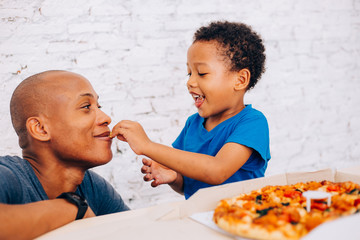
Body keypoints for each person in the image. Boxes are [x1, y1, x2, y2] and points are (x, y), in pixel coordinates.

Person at [111, 21, 271, 199]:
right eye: (190, 73)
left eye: (201, 73)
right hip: (199, 218)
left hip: (242, 219)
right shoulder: (192, 124)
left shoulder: (252, 122)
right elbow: (192, 184)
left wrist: (147, 146)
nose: (190, 82)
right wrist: (175, 178)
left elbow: (217, 171)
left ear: (240, 80)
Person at [0, 70, 129, 240]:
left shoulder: (94, 187)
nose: (106, 118)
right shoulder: (7, 175)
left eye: (99, 106)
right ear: (40, 129)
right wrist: (74, 208)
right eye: (86, 107)